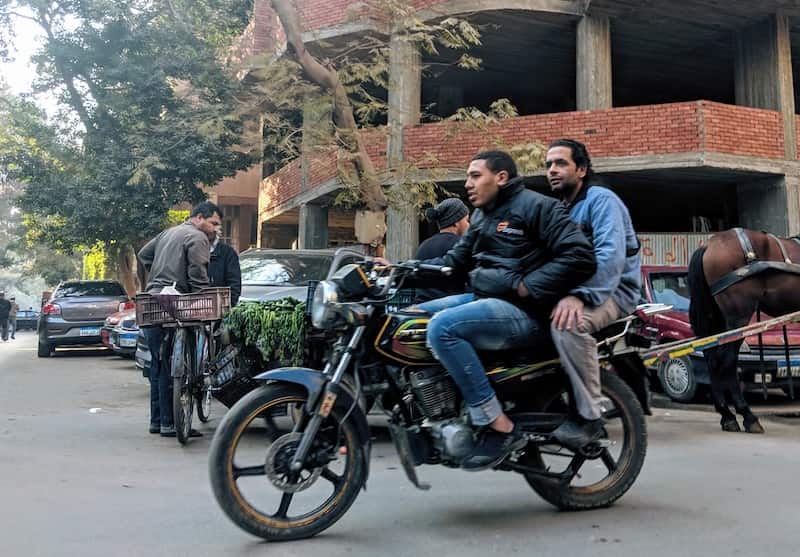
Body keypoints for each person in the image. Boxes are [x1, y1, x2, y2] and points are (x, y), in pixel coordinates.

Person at [412, 150, 596, 470]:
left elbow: (580, 255)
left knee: (443, 328)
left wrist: (529, 286)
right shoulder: (482, 215)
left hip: (524, 311)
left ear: (501, 177)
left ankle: (498, 424)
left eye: (475, 175)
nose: (467, 184)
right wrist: (401, 269)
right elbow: (453, 263)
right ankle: (442, 409)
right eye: (467, 176)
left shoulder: (538, 206)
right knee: (409, 317)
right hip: (486, 299)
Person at [545, 139, 641, 450]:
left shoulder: (601, 200)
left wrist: (581, 296)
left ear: (581, 169)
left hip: (613, 292)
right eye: (548, 165)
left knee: (568, 324)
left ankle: (590, 418)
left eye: (561, 163)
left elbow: (610, 256)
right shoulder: (563, 207)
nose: (552, 170)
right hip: (576, 291)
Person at [137, 201, 222, 437]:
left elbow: (145, 254)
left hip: (153, 300)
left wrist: (158, 275)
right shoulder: (197, 237)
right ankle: (170, 424)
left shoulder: (168, 232)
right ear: (198, 218)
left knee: (158, 364)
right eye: (213, 223)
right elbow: (198, 272)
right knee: (174, 365)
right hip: (177, 303)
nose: (215, 229)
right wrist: (200, 297)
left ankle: (157, 422)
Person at [413, 198, 470, 303]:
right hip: (450, 310)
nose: (468, 225)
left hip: (422, 309)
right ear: (457, 222)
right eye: (466, 220)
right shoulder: (461, 246)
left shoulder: (423, 246)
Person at [209, 234, 242, 306]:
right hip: (194, 309)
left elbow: (234, 283)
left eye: (217, 224)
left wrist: (228, 305)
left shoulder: (227, 252)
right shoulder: (193, 251)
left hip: (221, 308)